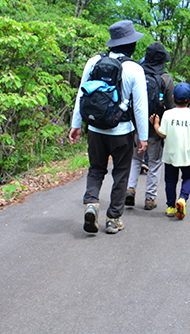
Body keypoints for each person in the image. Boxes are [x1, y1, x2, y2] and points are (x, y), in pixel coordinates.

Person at [69, 20, 148, 234]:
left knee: (96, 169)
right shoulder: (134, 69)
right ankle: (113, 218)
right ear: (131, 45)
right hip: (122, 132)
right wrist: (144, 136)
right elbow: (140, 107)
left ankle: (92, 203)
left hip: (95, 129)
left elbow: (81, 95)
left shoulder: (93, 61)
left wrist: (76, 124)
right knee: (121, 173)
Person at [125, 42, 175, 210]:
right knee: (154, 161)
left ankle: (130, 189)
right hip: (155, 125)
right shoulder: (165, 78)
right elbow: (171, 106)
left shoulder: (136, 72)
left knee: (135, 159)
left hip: (135, 124)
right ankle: (150, 198)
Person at [152, 82, 190, 219]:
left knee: (170, 180)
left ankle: (170, 207)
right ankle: (182, 199)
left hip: (170, 155)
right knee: (188, 177)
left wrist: (156, 124)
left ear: (173, 97)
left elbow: (163, 134)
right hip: (188, 155)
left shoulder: (168, 114)